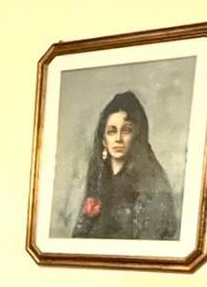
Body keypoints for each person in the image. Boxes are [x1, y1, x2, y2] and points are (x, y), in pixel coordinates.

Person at [70, 89, 178, 241]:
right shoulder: (99, 179)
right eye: (111, 131)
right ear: (104, 141)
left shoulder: (151, 183)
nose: (118, 139)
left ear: (137, 136)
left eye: (126, 130)